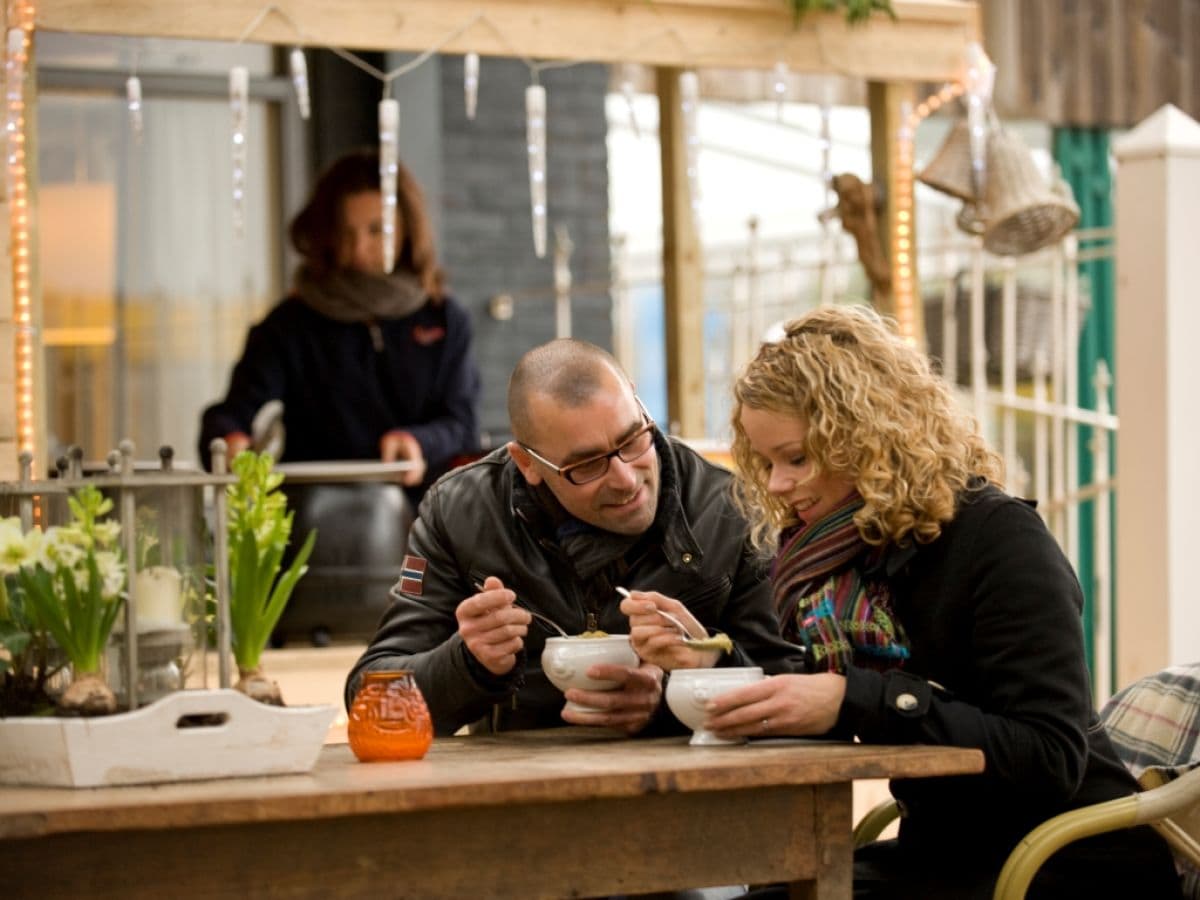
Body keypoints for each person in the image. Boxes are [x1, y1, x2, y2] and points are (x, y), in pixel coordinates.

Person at [626, 305, 1181, 899]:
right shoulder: (839, 557)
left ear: (868, 439)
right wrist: (711, 665)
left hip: (1068, 864)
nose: (779, 484)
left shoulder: (999, 539)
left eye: (798, 458)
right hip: (945, 857)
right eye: (766, 464)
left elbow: (1050, 756)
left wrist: (857, 697)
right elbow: (813, 699)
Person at [346, 338, 806, 736]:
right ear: (527, 464)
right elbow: (368, 698)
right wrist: (468, 663)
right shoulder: (461, 512)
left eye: (633, 440)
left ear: (642, 408)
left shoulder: (729, 507)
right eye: (587, 465)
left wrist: (672, 698)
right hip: (519, 804)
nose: (625, 478)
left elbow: (795, 685)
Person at [198, 149, 480, 501]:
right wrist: (231, 442)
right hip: (317, 523)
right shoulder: (290, 324)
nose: (360, 249)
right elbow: (230, 415)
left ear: (408, 229)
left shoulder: (445, 318)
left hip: (426, 521)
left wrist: (417, 441)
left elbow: (462, 424)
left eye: (376, 230)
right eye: (347, 233)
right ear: (326, 234)